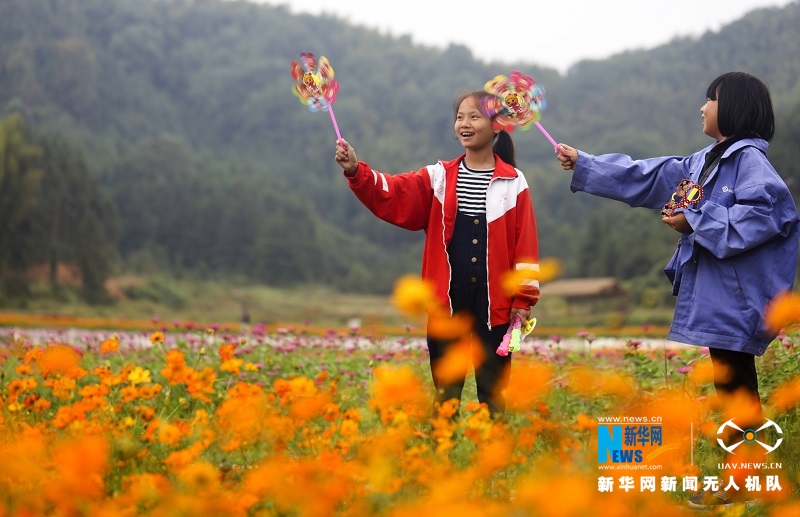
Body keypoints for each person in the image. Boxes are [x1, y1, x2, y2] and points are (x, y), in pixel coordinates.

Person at [556, 72, 799, 507]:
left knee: (738, 387)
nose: (701, 107)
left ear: (735, 109)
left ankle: (750, 481)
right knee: (733, 385)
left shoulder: (749, 164)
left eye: (710, 99)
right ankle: (748, 479)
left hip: (737, 298)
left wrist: (696, 220)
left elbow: (765, 214)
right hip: (721, 295)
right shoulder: (704, 162)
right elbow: (650, 177)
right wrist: (586, 163)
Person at [334, 90, 540, 418]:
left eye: (474, 116)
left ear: (497, 125)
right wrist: (356, 171)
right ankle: (441, 456)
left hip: (497, 308)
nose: (464, 124)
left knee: (495, 393)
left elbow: (525, 246)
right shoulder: (438, 178)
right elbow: (393, 192)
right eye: (460, 117)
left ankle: (499, 461)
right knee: (446, 394)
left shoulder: (514, 182)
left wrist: (522, 303)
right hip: (446, 304)